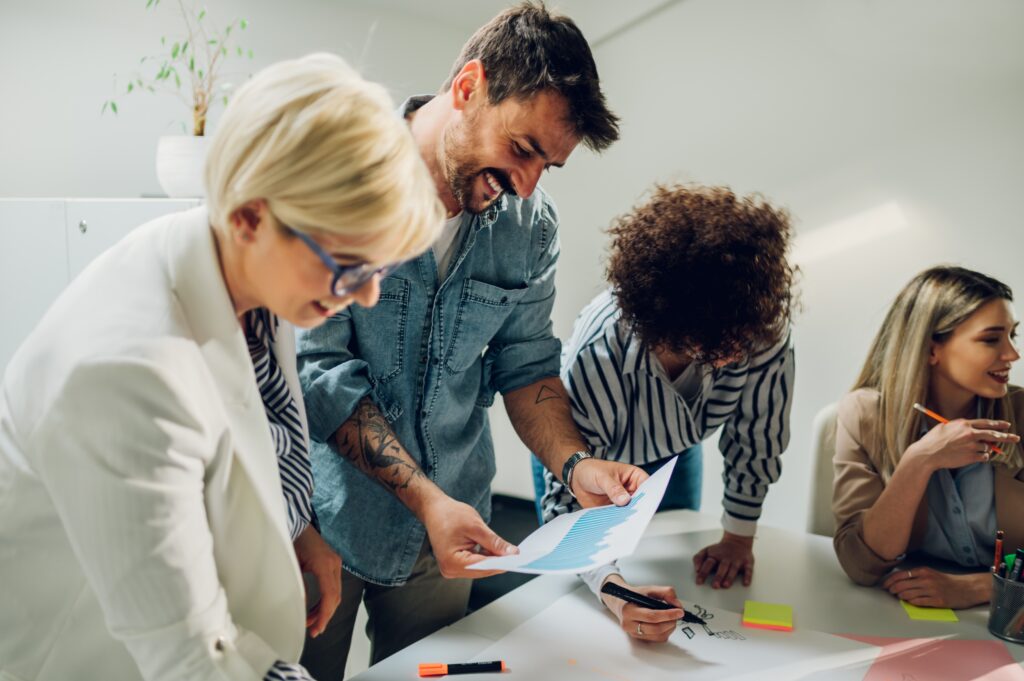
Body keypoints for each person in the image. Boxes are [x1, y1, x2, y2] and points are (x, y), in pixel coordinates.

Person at [0, 53, 443, 681]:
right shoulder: (126, 372)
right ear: (250, 215)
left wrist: (296, 529)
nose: (366, 295)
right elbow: (191, 660)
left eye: (379, 269)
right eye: (350, 265)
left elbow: (254, 429)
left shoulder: (246, 271)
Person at [296, 4, 648, 675]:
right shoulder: (345, 179)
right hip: (323, 521)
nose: (527, 184)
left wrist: (577, 466)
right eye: (522, 149)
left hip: (452, 538)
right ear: (467, 88)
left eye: (548, 164)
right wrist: (427, 500)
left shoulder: (531, 223)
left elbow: (527, 363)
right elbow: (320, 372)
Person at [538, 184, 797, 643]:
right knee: (574, 598)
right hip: (593, 455)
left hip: (676, 448)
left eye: (743, 335)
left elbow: (756, 438)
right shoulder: (600, 351)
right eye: (717, 339)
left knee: (673, 560)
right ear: (669, 319)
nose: (736, 352)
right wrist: (617, 593)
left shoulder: (760, 332)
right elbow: (565, 505)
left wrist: (738, 536)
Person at [833, 266, 1023, 608]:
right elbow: (861, 565)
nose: (1012, 355)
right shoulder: (865, 415)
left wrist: (983, 588)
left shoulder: (1021, 414)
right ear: (931, 349)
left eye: (1013, 335)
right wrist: (919, 462)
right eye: (992, 338)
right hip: (902, 608)